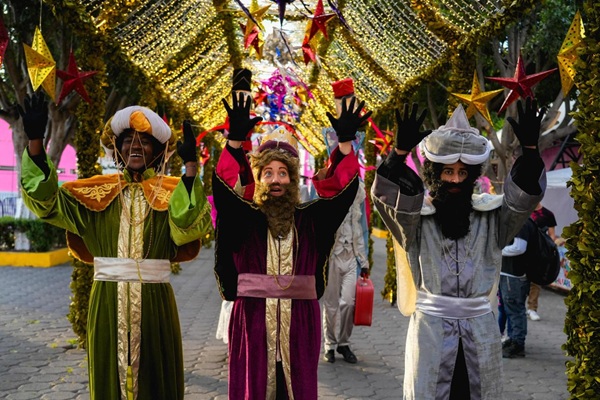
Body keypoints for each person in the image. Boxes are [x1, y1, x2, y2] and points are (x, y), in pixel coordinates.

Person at [19, 91, 213, 400]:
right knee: (110, 378)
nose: (135, 146)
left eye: (144, 141)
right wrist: (35, 143)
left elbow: (187, 230)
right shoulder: (94, 194)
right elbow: (46, 203)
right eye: (127, 141)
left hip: (155, 304)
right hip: (106, 302)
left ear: (157, 152)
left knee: (155, 380)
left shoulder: (174, 193)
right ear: (117, 149)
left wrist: (191, 169)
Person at [371, 98, 546, 399]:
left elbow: (522, 201)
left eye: (463, 173)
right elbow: (388, 201)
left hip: (480, 333)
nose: (455, 179)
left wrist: (530, 152)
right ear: (434, 174)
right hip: (430, 334)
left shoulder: (493, 219)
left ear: (473, 176)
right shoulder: (415, 222)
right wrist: (398, 155)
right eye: (447, 172)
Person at [212, 69, 370, 399]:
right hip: (251, 323)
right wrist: (234, 143)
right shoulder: (245, 220)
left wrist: (343, 145)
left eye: (283, 173)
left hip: (301, 324)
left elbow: (341, 192)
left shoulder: (312, 221)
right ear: (258, 179)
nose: (276, 180)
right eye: (267, 172)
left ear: (294, 180)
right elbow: (226, 193)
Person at [322, 179, 369, 364]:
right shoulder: (329, 187)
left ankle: (344, 343)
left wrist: (364, 262)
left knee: (348, 302)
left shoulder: (359, 191)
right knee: (331, 303)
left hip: (351, 256)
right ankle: (329, 345)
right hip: (333, 256)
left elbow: (363, 228)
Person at [499, 220, 537, 358]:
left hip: (514, 275)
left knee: (515, 310)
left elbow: (519, 248)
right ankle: (513, 339)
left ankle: (518, 344)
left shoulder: (522, 223)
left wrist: (497, 251)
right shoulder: (521, 221)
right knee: (511, 309)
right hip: (510, 273)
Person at [527, 202, 557, 321]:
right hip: (523, 251)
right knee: (522, 281)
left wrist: (549, 249)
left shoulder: (547, 214)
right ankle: (521, 307)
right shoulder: (523, 212)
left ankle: (532, 308)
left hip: (539, 253)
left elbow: (552, 235)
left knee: (536, 282)